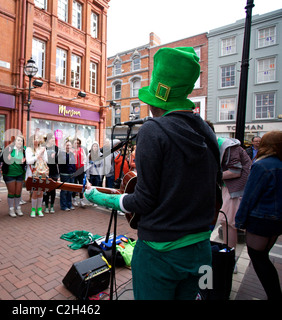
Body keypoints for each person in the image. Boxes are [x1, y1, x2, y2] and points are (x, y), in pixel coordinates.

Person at [84, 47, 220, 300]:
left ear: (157, 98)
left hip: (159, 253)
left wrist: (101, 198)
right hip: (202, 251)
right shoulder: (206, 129)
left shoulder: (152, 130)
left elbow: (144, 201)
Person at [235, 130, 282, 300]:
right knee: (263, 257)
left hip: (260, 219)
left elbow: (250, 196)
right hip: (276, 220)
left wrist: (239, 220)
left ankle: (274, 295)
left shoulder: (262, 165)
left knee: (259, 258)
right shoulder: (279, 163)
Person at [217, 137, 251, 250]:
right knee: (226, 221)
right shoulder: (222, 146)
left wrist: (210, 176)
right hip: (230, 188)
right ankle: (228, 254)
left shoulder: (228, 146)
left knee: (228, 221)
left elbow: (235, 172)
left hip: (234, 190)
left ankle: (229, 255)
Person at [1, 135, 26, 217]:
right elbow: (1, 159)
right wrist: (7, 158)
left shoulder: (24, 150)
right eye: (18, 140)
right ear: (15, 141)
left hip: (19, 173)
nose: (20, 142)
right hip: (9, 174)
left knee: (18, 192)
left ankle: (18, 208)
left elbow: (27, 161)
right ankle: (11, 209)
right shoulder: (9, 149)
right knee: (12, 192)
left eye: (21, 141)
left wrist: (24, 161)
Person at [26, 133, 48, 217]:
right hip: (33, 172)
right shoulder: (29, 149)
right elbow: (29, 161)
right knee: (35, 191)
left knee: (41, 190)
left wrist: (42, 154)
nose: (36, 140)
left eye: (38, 138)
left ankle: (39, 209)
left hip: (42, 171)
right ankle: (33, 210)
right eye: (34, 138)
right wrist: (38, 155)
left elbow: (46, 160)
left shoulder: (43, 148)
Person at [58, 140, 76, 211]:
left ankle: (69, 204)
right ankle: (63, 206)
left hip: (71, 174)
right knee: (64, 191)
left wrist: (74, 172)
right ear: (65, 146)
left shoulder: (72, 154)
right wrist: (68, 155)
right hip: (64, 174)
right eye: (67, 145)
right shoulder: (62, 154)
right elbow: (64, 162)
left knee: (70, 191)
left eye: (69, 145)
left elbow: (73, 164)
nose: (68, 147)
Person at [43, 133, 59, 213]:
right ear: (48, 139)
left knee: (53, 189)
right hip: (46, 171)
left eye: (54, 138)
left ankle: (52, 206)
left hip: (54, 171)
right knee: (46, 189)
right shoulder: (44, 147)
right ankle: (46, 206)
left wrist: (55, 157)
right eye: (52, 138)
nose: (53, 139)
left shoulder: (56, 148)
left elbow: (58, 161)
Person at [72, 138, 87, 207]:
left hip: (81, 170)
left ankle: (81, 199)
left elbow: (85, 159)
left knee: (81, 185)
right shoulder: (72, 150)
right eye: (75, 143)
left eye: (78, 143)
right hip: (74, 170)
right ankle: (74, 199)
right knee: (75, 185)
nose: (77, 144)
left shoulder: (82, 150)